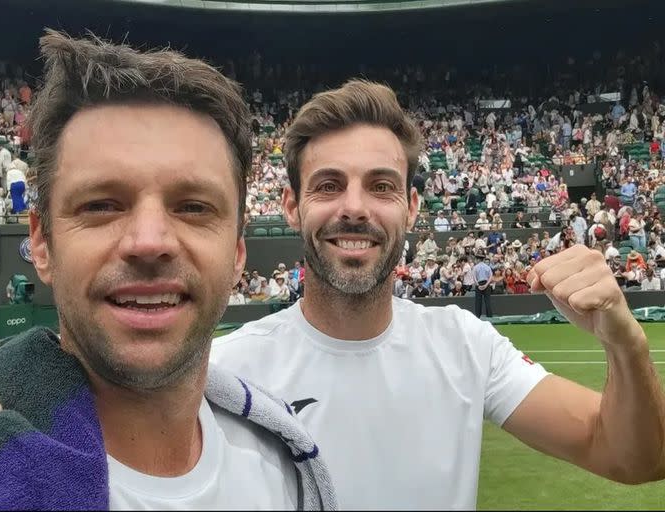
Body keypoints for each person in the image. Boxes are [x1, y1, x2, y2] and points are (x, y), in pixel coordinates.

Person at [0, 31, 334, 510]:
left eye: (192, 207)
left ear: (237, 250)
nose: (149, 242)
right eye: (102, 205)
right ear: (40, 242)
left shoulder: (284, 469)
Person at [210, 80, 665, 509]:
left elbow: (632, 458)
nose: (353, 207)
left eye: (381, 186)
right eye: (328, 185)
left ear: (410, 208)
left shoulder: (466, 344)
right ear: (291, 206)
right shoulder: (222, 373)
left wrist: (626, 343)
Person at [473, 251, 494, 318]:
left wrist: (478, 285)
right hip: (486, 283)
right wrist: (486, 284)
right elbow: (491, 276)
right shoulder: (487, 267)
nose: (476, 260)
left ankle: (477, 316)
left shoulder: (475, 267)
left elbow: (474, 277)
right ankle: (489, 316)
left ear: (478, 259)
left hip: (479, 283)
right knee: (487, 300)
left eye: (476, 259)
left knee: (478, 301)